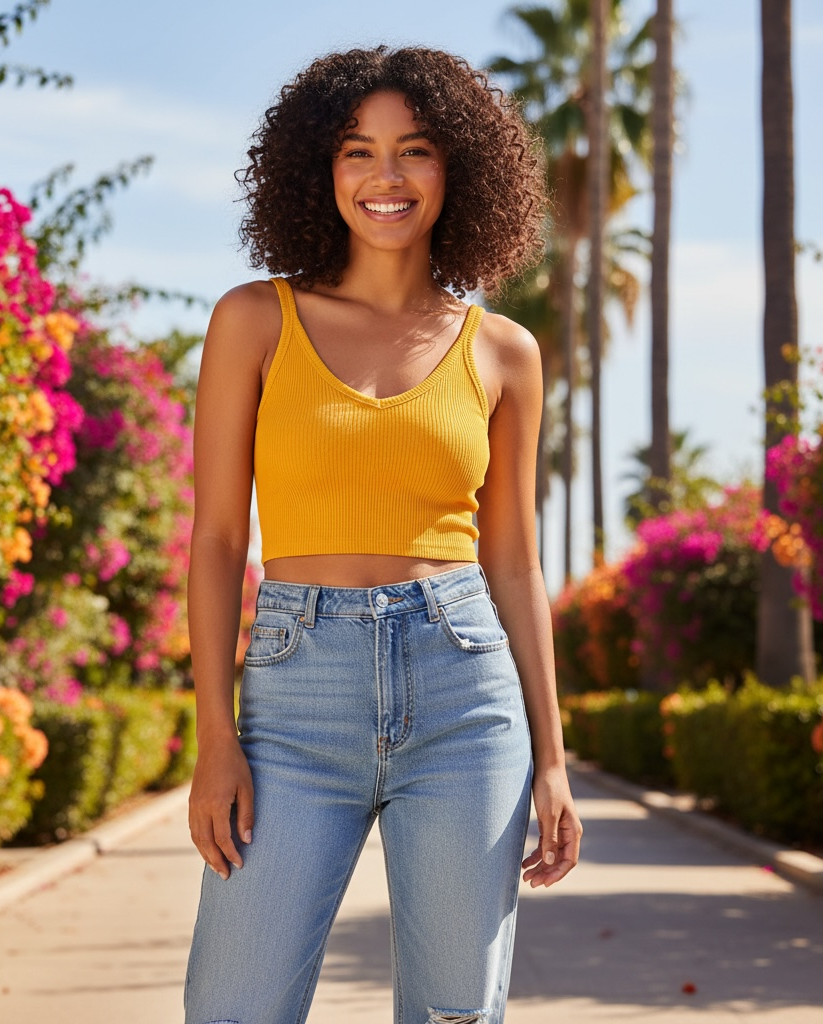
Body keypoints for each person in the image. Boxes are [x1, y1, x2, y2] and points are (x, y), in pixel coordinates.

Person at [184, 45, 582, 1024]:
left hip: (464, 694)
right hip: (292, 696)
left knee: (454, 1012)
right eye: (358, 151)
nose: (386, 177)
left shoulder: (503, 351)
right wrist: (212, 733)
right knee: (232, 1007)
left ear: (459, 171)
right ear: (320, 169)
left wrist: (555, 757)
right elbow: (218, 538)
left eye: (415, 151)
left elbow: (516, 560)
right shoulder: (253, 320)